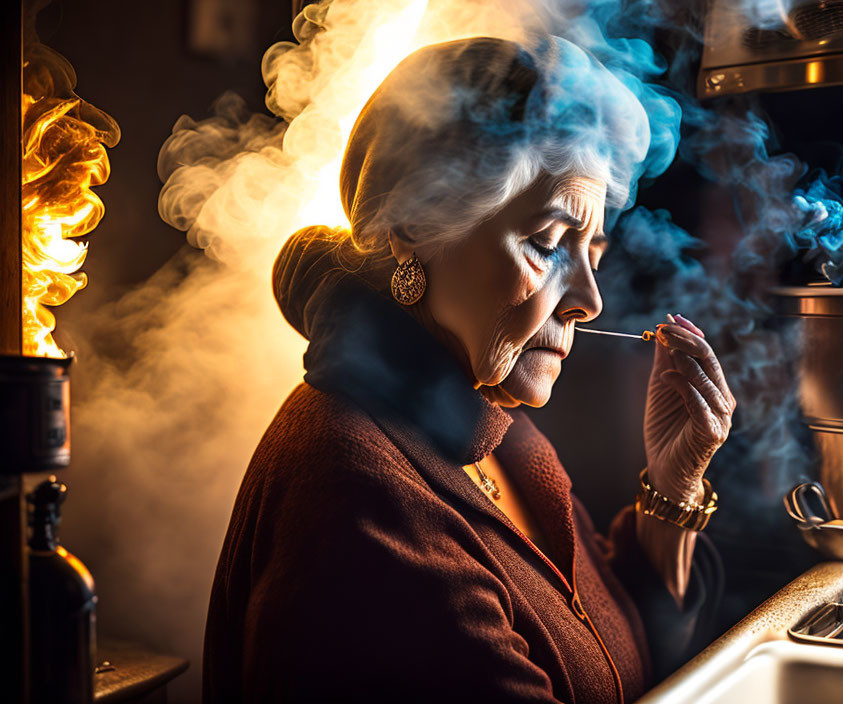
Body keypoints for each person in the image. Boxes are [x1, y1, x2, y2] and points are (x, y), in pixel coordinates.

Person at [204, 35, 733, 704]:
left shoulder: (487, 428)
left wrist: (673, 483)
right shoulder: (364, 501)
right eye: (547, 243)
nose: (589, 301)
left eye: (593, 250)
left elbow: (612, 658)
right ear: (416, 228)